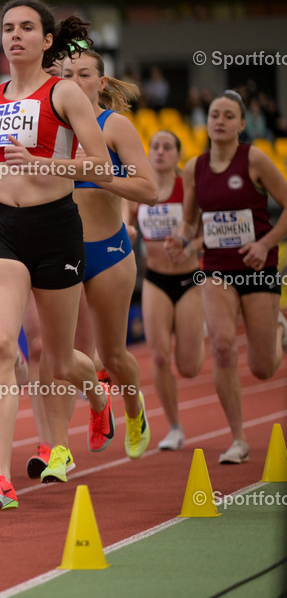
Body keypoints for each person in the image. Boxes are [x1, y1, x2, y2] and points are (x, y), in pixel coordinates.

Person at [0, 0, 114, 511]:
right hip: (0, 231)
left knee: (56, 361)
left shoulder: (63, 93)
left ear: (46, 41)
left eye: (25, 28)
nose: (14, 36)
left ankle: (98, 393)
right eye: (7, 28)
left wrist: (46, 165)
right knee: (2, 347)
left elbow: (102, 168)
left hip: (55, 228)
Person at [165, 90, 287, 464]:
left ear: (241, 124)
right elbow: (189, 219)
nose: (219, 120)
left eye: (228, 116)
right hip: (216, 268)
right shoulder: (194, 168)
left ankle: (278, 327)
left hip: (257, 267)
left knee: (263, 368)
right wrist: (182, 239)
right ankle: (238, 438)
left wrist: (265, 244)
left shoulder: (255, 160)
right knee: (221, 346)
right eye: (214, 114)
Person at [64, 50, 158, 463]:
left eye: (84, 74)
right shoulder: (51, 128)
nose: (76, 81)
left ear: (101, 83)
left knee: (113, 354)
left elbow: (148, 189)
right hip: (61, 251)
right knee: (58, 353)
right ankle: (98, 402)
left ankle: (134, 409)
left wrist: (101, 173)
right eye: (67, 74)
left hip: (110, 252)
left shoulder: (114, 126)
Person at [123, 131, 205, 450]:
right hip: (155, 279)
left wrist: (190, 246)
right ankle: (174, 427)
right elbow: (124, 221)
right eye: (154, 146)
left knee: (188, 366)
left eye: (167, 147)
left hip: (188, 280)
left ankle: (200, 331)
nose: (159, 152)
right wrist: (127, 230)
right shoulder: (141, 188)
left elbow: (206, 233)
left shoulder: (189, 189)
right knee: (158, 358)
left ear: (177, 154)